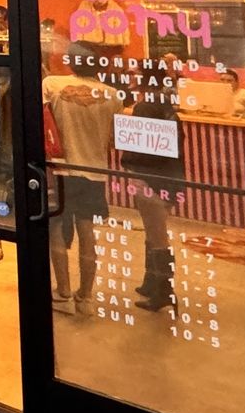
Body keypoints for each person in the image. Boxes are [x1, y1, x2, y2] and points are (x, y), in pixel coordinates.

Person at [42, 44, 123, 314]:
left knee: (55, 229)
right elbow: (114, 138)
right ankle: (85, 294)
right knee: (87, 232)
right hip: (95, 171)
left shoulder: (52, 84)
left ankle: (62, 289)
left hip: (61, 169)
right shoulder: (112, 95)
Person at [121, 60, 188, 313]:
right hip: (167, 177)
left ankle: (163, 291)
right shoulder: (161, 102)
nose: (130, 73)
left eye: (135, 71)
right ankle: (151, 283)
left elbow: (143, 148)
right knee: (153, 232)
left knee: (157, 235)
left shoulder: (147, 105)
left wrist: (132, 169)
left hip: (152, 178)